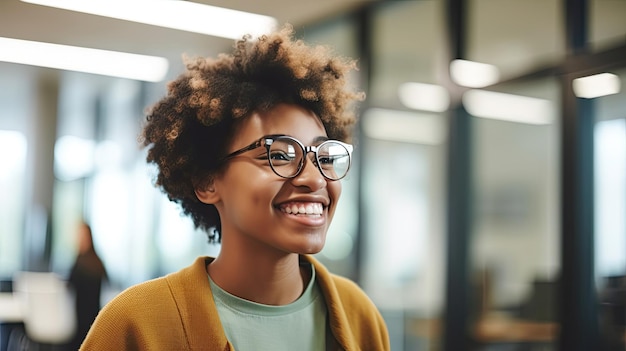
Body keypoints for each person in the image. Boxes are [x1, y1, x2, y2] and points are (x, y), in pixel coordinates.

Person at [81, 25, 390, 350]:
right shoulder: (138, 323)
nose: (314, 179)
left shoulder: (358, 315)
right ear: (207, 180)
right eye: (280, 155)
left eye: (324, 156)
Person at [67, 221, 107, 350]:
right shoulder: (98, 262)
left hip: (80, 321)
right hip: (94, 319)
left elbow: (69, 285)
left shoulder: (79, 263)